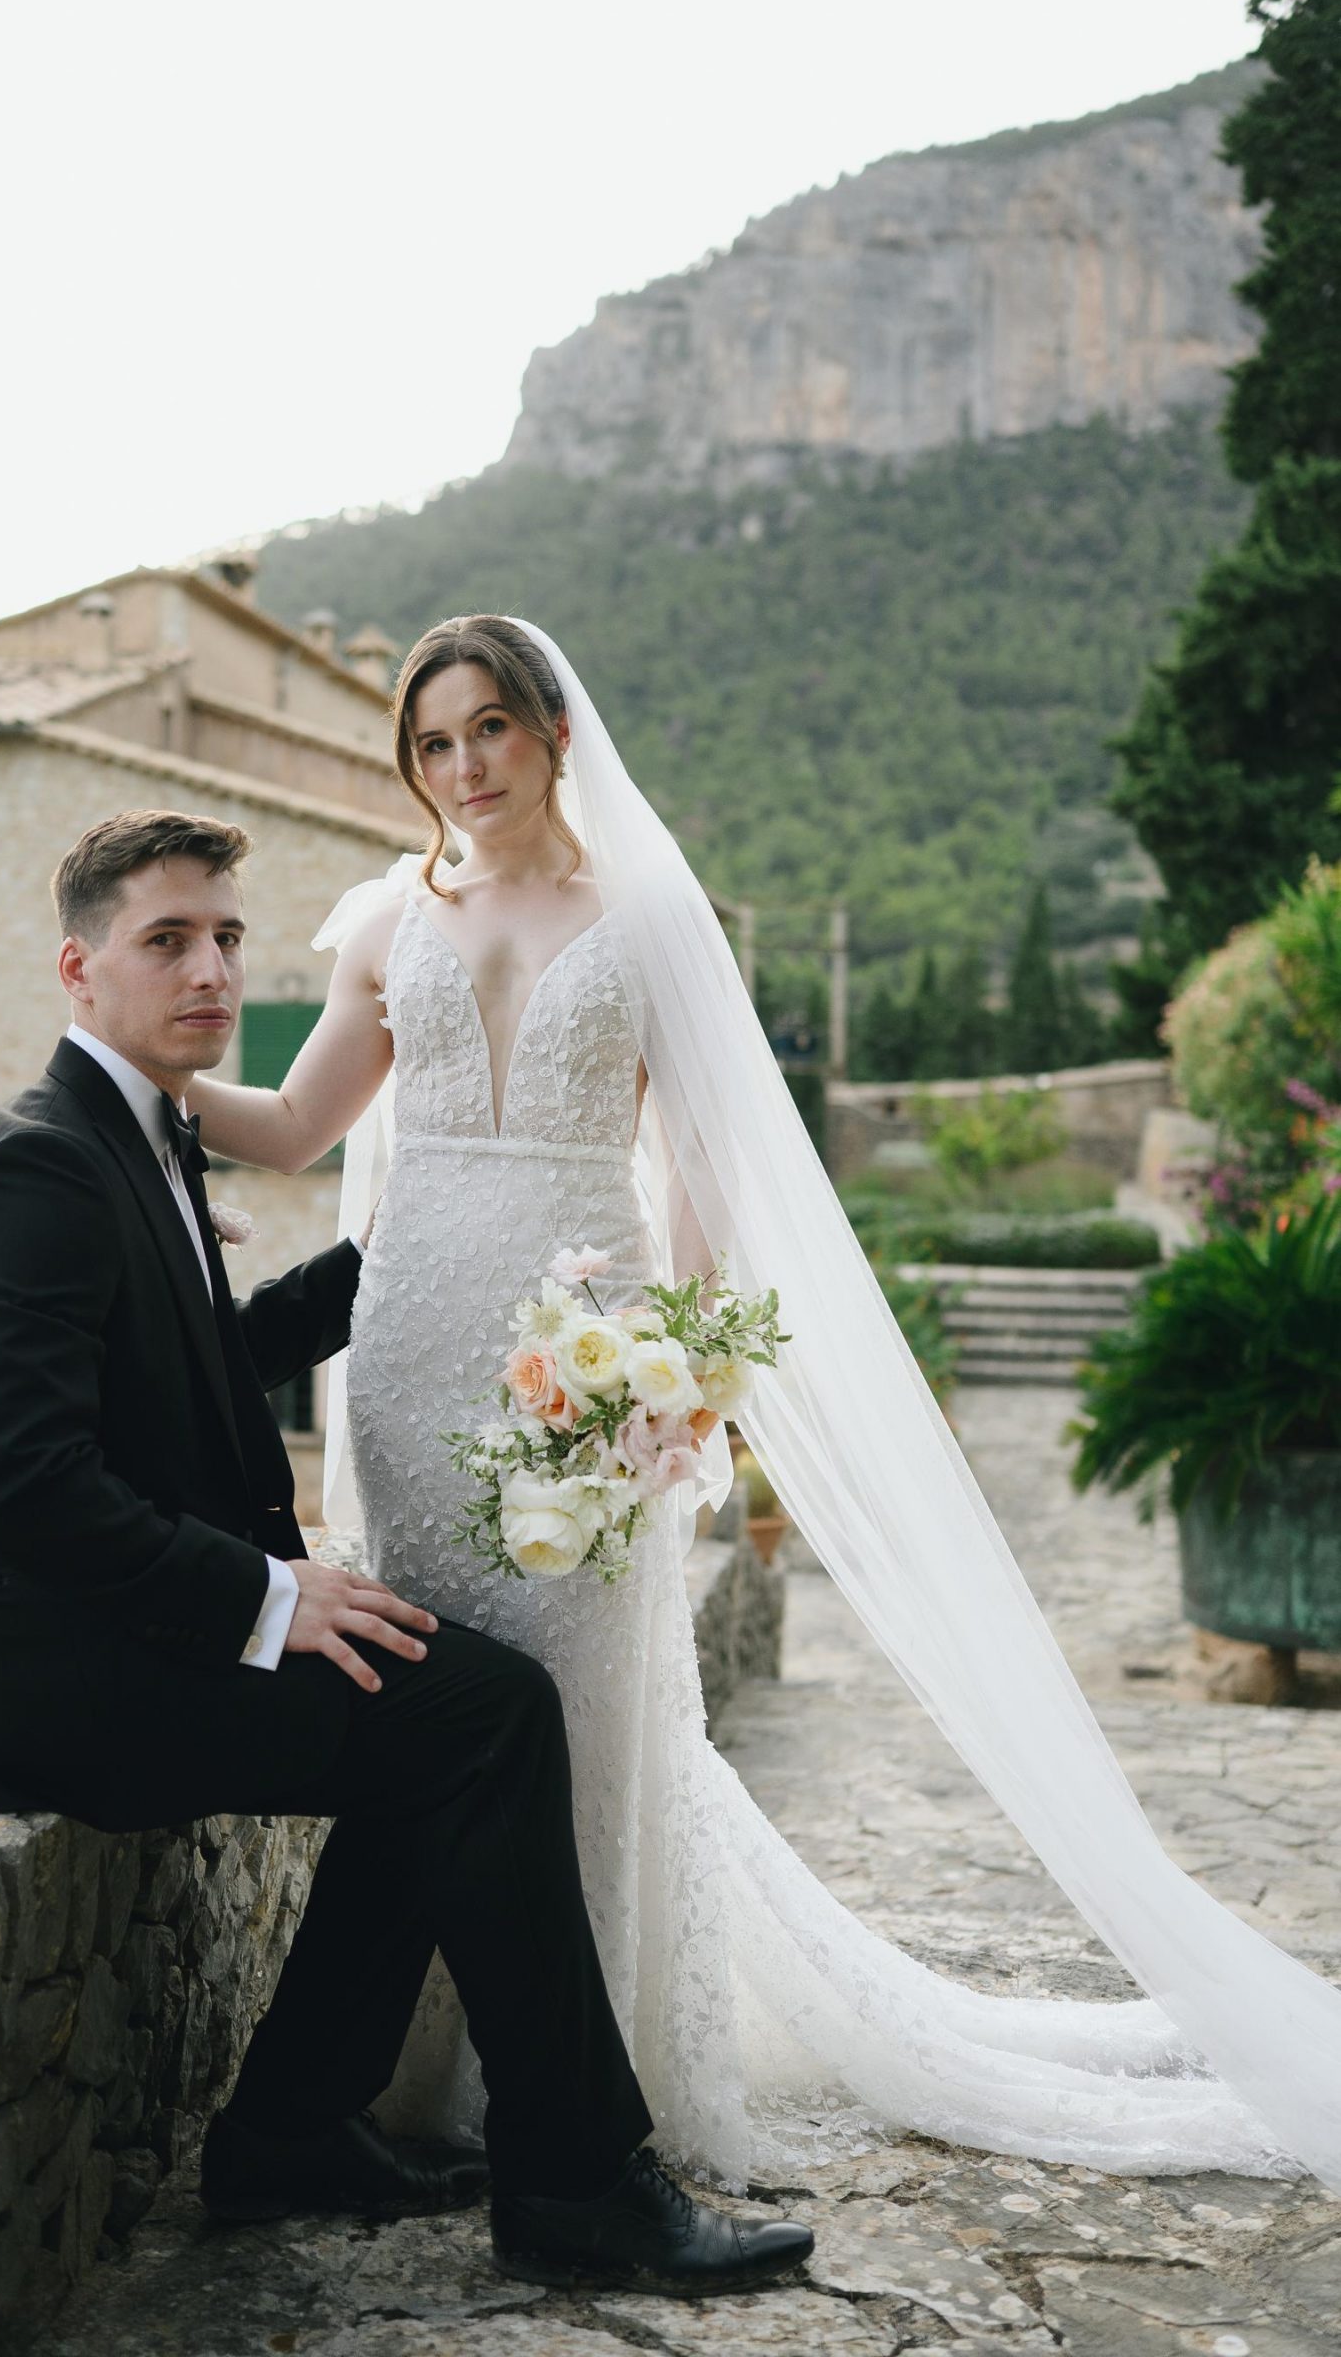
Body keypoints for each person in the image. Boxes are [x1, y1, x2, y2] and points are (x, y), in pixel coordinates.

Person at [188, 615, 1341, 2194]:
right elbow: (299, 1123)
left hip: (578, 1369)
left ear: (550, 735)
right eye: (433, 745)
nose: (462, 770)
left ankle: (582, 2086)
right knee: (428, 1716)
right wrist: (145, 1068)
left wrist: (667, 1375)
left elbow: (713, 1168)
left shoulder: (647, 919)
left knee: (579, 1720)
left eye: (487, 735)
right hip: (403, 1367)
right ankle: (421, 2079)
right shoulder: (390, 917)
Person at [0, 806, 814, 2296]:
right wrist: (267, 1597)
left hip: (107, 1637)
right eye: (166, 941)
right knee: (483, 1716)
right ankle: (573, 2184)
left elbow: (189, 1375)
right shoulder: (39, 1171)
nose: (212, 972)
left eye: (229, 939)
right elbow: (26, 1489)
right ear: (79, 968)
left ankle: (293, 2133)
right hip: (39, 1679)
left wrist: (408, 1259)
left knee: (435, 1724)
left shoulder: (143, 1135)